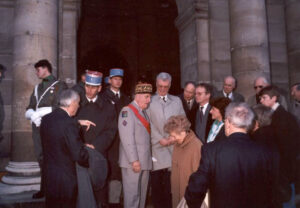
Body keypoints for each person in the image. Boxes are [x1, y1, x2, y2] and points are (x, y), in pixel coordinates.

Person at [185, 102, 278, 208]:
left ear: (228, 122)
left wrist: (193, 203)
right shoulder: (265, 151)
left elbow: (197, 186)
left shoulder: (211, 150)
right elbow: (272, 188)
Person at [40, 89, 93, 208]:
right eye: (78, 103)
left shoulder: (46, 119)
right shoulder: (69, 123)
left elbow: (58, 142)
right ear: (72, 103)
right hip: (65, 180)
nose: (79, 106)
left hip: (49, 177)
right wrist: (88, 154)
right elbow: (78, 155)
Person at [24, 59, 67, 199]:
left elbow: (61, 106)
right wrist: (32, 115)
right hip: (38, 127)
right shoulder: (37, 88)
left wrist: (41, 113)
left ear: (45, 69)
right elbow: (30, 106)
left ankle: (53, 189)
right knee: (41, 157)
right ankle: (44, 189)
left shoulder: (60, 85)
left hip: (52, 125)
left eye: (38, 70)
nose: (37, 73)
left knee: (53, 158)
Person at [76, 70, 117, 207]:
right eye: (87, 85)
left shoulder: (108, 106)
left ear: (99, 88)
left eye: (93, 87)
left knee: (99, 190)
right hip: (80, 152)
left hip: (98, 152)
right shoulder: (77, 103)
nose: (89, 89)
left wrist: (96, 145)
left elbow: (111, 130)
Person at [146, 72, 185, 208]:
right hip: (156, 147)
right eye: (160, 86)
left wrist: (174, 137)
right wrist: (160, 139)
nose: (163, 89)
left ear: (170, 86)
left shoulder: (176, 101)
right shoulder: (149, 100)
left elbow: (182, 121)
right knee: (157, 186)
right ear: (156, 84)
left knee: (170, 187)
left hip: (173, 147)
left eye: (166, 87)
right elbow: (147, 123)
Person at [259, 86, 300, 206]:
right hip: (280, 166)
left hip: (283, 168)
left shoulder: (282, 117)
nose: (261, 100)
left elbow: (286, 146)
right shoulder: (274, 114)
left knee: (285, 200)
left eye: (264, 98)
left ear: (274, 98)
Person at [118, 83, 153, 208]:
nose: (149, 100)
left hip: (143, 161)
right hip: (133, 162)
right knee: (132, 197)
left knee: (142, 196)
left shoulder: (143, 112)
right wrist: (134, 160)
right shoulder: (127, 111)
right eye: (147, 97)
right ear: (137, 96)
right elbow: (127, 138)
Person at [101, 68, 131, 206]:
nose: (118, 81)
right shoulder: (103, 97)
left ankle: (120, 198)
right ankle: (112, 201)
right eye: (115, 79)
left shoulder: (126, 98)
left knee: (121, 167)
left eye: (120, 79)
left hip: (123, 139)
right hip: (109, 140)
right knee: (111, 168)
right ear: (110, 80)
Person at [163, 115, 202, 207]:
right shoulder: (178, 144)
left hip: (189, 197)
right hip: (177, 194)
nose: (172, 138)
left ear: (182, 132)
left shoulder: (196, 146)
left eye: (173, 136)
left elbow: (199, 177)